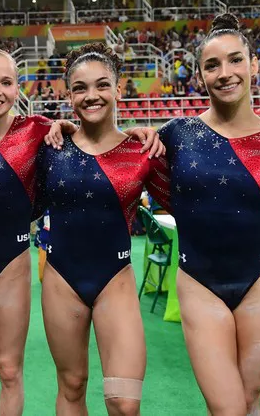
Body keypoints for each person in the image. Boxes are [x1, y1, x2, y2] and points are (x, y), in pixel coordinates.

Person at [0, 48, 162, 416]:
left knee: (112, 399)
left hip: (59, 267)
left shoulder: (42, 132)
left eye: (6, 82)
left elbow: (181, 196)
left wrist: (140, 132)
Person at [158, 14, 260, 414]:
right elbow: (142, 181)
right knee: (228, 408)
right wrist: (63, 130)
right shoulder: (176, 134)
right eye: (212, 65)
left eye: (235, 60)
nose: (225, 73)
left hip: (259, 284)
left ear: (254, 64)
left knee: (250, 402)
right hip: (199, 283)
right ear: (200, 75)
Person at [35, 43, 171, 415]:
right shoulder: (51, 148)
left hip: (116, 280)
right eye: (80, 88)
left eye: (102, 85)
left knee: (124, 403)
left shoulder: (141, 151)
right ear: (68, 95)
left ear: (118, 89)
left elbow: (189, 207)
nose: (91, 95)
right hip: (62, 280)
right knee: (72, 386)